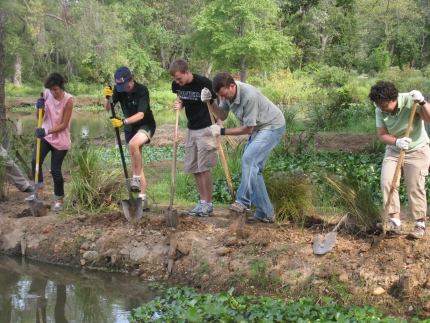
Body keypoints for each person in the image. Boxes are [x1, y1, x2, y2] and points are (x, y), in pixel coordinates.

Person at [202, 72, 286, 224]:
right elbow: (223, 115)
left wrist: (222, 131)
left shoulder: (249, 96)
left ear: (232, 86)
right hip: (258, 128)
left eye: (223, 95)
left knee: (249, 159)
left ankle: (243, 201)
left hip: (272, 126)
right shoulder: (227, 95)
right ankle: (266, 213)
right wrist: (211, 102)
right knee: (254, 169)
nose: (222, 98)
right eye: (219, 96)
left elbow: (247, 129)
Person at [369, 81, 430, 239]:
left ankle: (419, 224)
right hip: (394, 149)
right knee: (387, 181)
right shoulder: (379, 109)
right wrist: (396, 141)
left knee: (415, 185)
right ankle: (395, 222)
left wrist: (423, 102)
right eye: (379, 106)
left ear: (393, 99)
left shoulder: (411, 101)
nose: (382, 109)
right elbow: (382, 134)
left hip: (417, 149)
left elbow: (429, 119)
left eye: (384, 106)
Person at [169, 59, 219, 217]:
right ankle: (202, 202)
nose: (177, 82)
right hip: (191, 129)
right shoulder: (177, 85)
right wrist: (181, 104)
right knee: (194, 167)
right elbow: (182, 98)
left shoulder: (204, 83)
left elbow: (220, 101)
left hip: (205, 128)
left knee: (204, 167)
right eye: (175, 79)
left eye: (179, 78)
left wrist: (220, 122)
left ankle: (209, 204)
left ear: (187, 72)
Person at [103, 66, 156, 210]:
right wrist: (107, 98)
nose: (125, 89)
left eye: (127, 85)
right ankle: (142, 200)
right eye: (121, 86)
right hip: (130, 129)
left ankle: (136, 179)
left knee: (133, 145)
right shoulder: (119, 89)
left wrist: (123, 121)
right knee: (136, 165)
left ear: (132, 79)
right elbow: (108, 108)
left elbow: (141, 114)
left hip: (146, 125)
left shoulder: (142, 89)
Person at [26, 72, 74, 211]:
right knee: (35, 160)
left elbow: (64, 124)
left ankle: (59, 199)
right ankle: (39, 191)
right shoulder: (45, 94)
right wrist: (38, 107)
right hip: (45, 137)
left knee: (55, 170)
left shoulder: (69, 100)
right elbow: (39, 116)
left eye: (55, 89)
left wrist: (46, 131)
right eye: (51, 89)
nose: (53, 92)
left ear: (61, 87)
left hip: (60, 140)